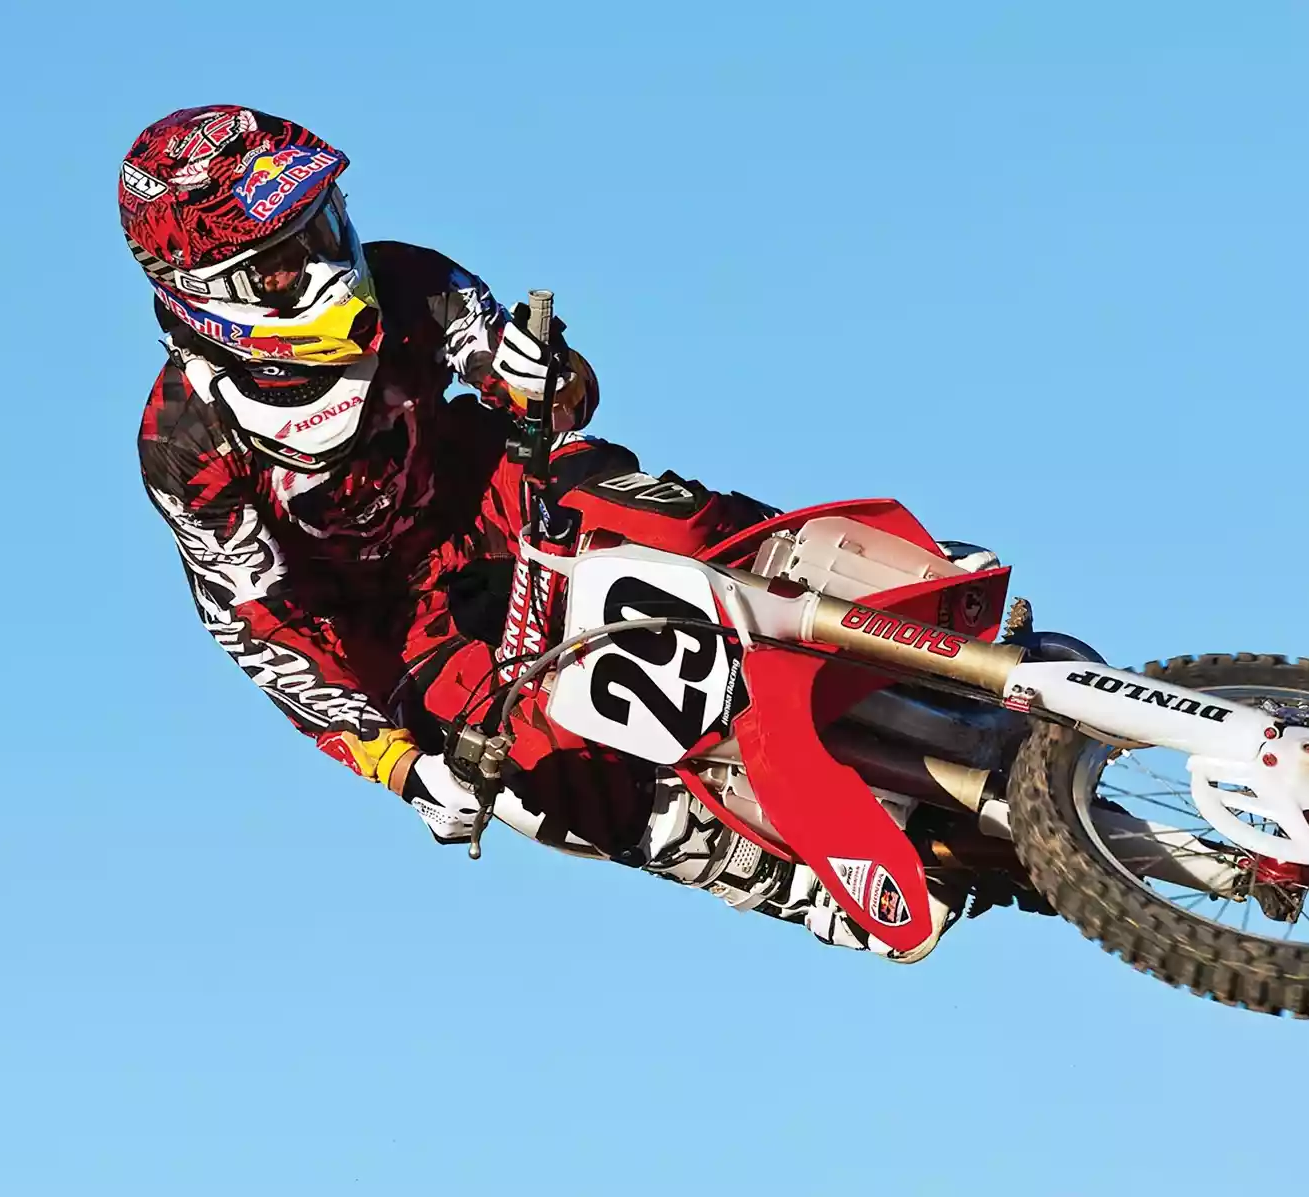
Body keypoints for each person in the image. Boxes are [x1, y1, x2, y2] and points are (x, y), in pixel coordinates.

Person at [123, 105, 958, 960]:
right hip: (399, 627)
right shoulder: (185, 445)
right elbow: (264, 631)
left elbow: (559, 397)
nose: (332, 269)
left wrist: (548, 375)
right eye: (286, 260)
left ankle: (895, 590)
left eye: (326, 227)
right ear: (210, 294)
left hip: (492, 494)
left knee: (659, 518)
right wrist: (400, 767)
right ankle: (785, 880)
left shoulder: (411, 279)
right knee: (527, 775)